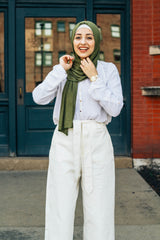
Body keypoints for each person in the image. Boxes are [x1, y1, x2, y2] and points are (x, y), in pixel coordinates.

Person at [32, 20, 123, 240]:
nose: (83, 42)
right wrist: (59, 71)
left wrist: (94, 77)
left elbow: (116, 107)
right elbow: (39, 97)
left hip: (96, 138)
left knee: (99, 204)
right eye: (78, 37)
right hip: (65, 137)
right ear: (72, 40)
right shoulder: (64, 68)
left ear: (97, 41)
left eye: (89, 37)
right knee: (59, 203)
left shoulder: (107, 70)